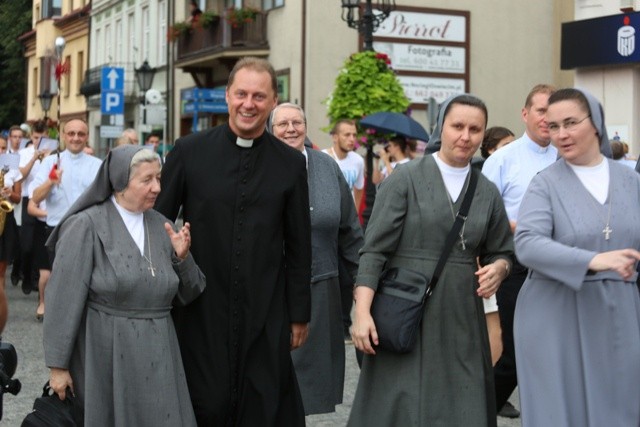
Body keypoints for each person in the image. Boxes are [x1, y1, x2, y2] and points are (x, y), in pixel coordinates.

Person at [155, 57, 312, 426]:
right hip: (201, 309)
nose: (249, 103)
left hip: (265, 309)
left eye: (259, 96)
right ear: (227, 96)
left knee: (263, 405)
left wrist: (299, 313)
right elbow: (156, 223)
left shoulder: (290, 164)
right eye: (241, 93)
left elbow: (299, 244)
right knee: (205, 404)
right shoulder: (189, 151)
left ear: (273, 102)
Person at [348, 94, 514, 427]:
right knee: (402, 404)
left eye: (474, 129)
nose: (465, 136)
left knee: (463, 404)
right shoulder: (405, 178)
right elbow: (374, 251)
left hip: (463, 316)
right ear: (441, 128)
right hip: (407, 308)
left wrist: (499, 268)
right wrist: (362, 312)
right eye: (457, 126)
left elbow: (502, 250)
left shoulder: (487, 191)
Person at [43, 145, 205, 426]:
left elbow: (190, 293)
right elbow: (62, 300)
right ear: (120, 182)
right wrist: (58, 367)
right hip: (107, 352)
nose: (157, 187)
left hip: (160, 352)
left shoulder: (162, 225)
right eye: (146, 180)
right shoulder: (86, 225)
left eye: (158, 178)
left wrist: (183, 258)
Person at [514, 88, 640, 426]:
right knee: (560, 413)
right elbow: (526, 243)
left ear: (595, 123)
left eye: (571, 123)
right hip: (554, 313)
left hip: (618, 312)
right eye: (553, 126)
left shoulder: (632, 181)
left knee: (620, 409)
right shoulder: (545, 184)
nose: (561, 134)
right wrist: (592, 260)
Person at [270, 102, 363, 415]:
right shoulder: (258, 165)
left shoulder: (326, 167)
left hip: (321, 290)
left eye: (297, 122)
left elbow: (350, 231)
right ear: (270, 130)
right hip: (270, 290)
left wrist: (364, 284)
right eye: (283, 124)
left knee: (309, 385)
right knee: (270, 380)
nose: (291, 129)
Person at [481, 83, 557, 419]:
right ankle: (480, 410)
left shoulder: (568, 153)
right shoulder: (501, 160)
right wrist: (520, 225)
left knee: (555, 352)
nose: (547, 118)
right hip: (516, 266)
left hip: (561, 267)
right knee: (511, 353)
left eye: (553, 112)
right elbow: (484, 218)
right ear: (525, 114)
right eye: (541, 110)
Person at [30, 119, 102, 319]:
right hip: (57, 230)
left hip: (89, 229)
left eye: (80, 134)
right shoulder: (50, 163)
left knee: (86, 278)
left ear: (87, 136)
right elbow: (35, 197)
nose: (75, 138)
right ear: (63, 136)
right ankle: (59, 318)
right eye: (71, 133)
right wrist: (51, 182)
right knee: (60, 279)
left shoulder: (98, 165)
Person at [322, 119, 365, 340]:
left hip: (346, 225)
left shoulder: (357, 161)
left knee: (349, 276)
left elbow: (358, 191)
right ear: (335, 137)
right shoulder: (324, 158)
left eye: (354, 135)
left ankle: (344, 322)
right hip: (327, 225)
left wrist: (352, 218)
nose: (351, 139)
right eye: (346, 135)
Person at [18, 120, 50, 295]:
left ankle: (38, 278)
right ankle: (27, 274)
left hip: (44, 202)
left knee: (41, 243)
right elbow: (20, 176)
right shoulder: (24, 153)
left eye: (42, 137)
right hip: (27, 199)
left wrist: (47, 159)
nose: (39, 141)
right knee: (27, 244)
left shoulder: (52, 154)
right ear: (31, 137)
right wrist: (34, 158)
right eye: (36, 137)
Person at [0, 136, 22, 332]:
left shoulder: (11, 167)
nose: (0, 150)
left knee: (1, 266)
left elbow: (18, 197)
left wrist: (8, 193)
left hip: (4, 217)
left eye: (2, 147)